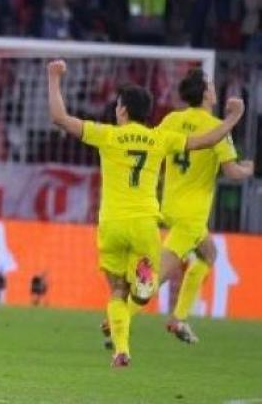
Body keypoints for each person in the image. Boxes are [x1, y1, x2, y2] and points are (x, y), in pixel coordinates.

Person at [46, 59, 244, 367]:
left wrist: (54, 78)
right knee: (143, 291)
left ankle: (121, 350)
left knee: (115, 290)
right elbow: (207, 139)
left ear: (122, 110)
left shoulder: (107, 135)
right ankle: (140, 304)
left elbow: (59, 117)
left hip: (111, 225)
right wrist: (233, 117)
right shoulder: (158, 139)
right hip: (144, 226)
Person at [157, 69, 254, 343]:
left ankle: (178, 318)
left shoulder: (172, 119)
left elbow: (154, 149)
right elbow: (232, 172)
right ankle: (117, 314)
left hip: (169, 204)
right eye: (211, 85)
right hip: (191, 213)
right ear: (206, 93)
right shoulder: (217, 127)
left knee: (208, 254)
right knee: (155, 277)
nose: (214, 89)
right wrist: (249, 168)